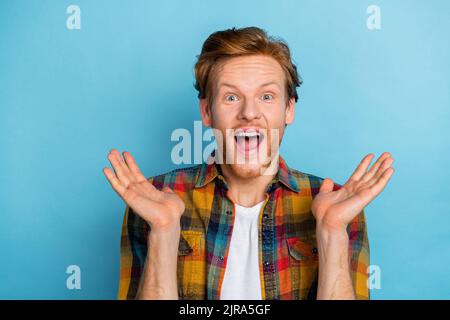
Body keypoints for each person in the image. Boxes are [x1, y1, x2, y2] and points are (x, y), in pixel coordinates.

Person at [103, 26, 394, 300]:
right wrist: (163, 232)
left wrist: (332, 233)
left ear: (288, 110)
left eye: (267, 96)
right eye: (231, 97)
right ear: (207, 111)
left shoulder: (337, 204)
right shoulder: (154, 197)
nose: (249, 113)